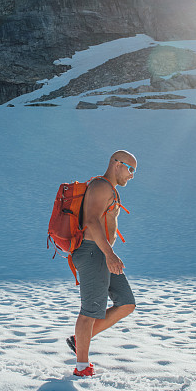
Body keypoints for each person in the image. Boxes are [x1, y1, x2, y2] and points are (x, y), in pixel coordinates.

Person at [67, 150, 138, 376]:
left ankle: (80, 341)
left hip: (102, 252)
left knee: (126, 303)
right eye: (131, 169)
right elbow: (91, 220)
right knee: (90, 311)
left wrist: (109, 253)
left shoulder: (110, 190)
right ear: (116, 164)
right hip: (93, 252)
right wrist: (109, 254)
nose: (132, 175)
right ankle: (82, 367)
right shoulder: (101, 186)